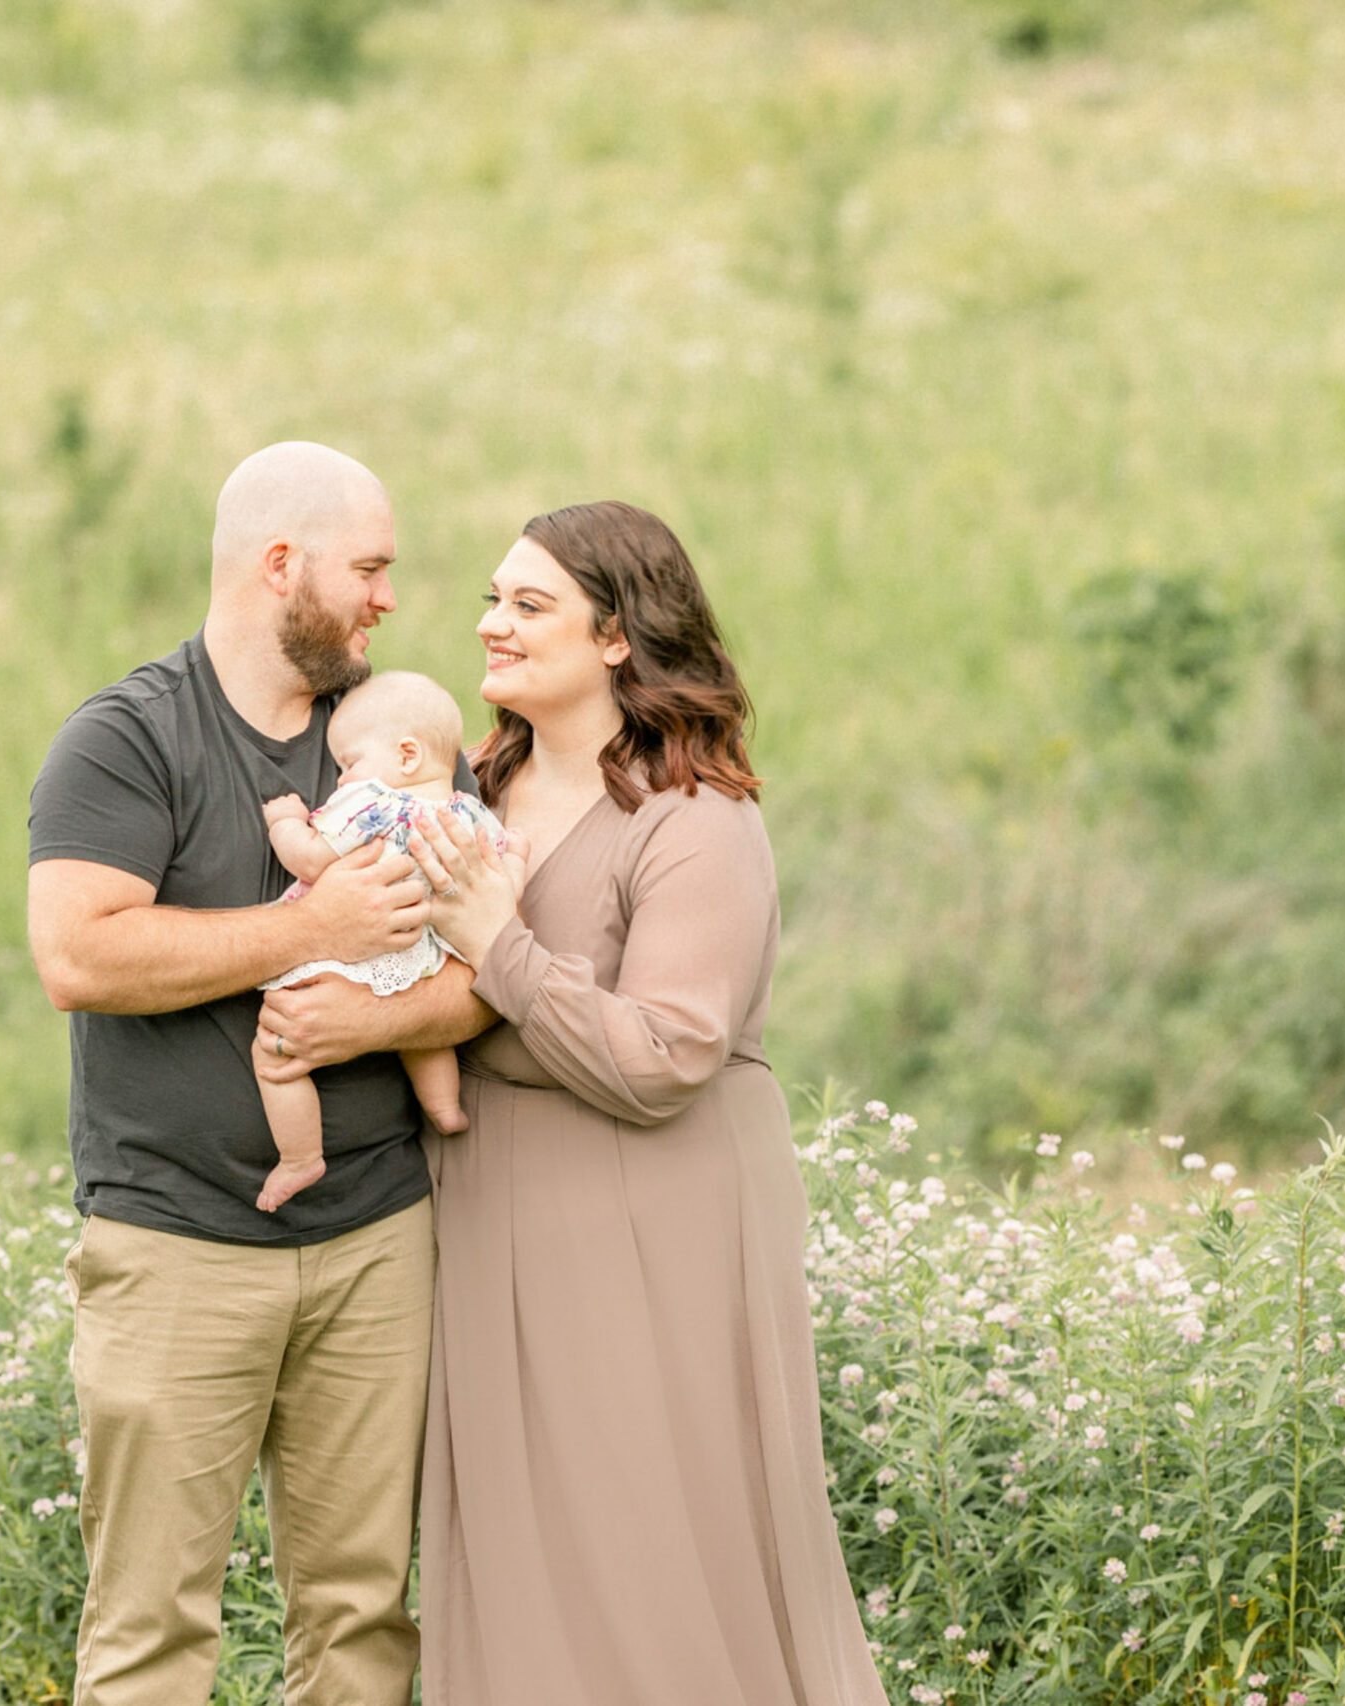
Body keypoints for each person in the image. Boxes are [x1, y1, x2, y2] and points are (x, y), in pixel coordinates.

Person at [403, 500, 891, 1706]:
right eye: (491, 598)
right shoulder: (472, 786)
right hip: (487, 1197)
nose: (490, 625)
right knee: (518, 1551)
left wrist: (499, 947)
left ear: (617, 635)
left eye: (528, 604)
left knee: (657, 1544)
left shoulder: (696, 818)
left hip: (655, 1208)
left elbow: (667, 1053)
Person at [25, 441, 486, 1706]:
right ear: (281, 564)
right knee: (151, 1634)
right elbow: (76, 954)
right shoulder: (126, 739)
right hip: (175, 1249)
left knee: (362, 1620)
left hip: (379, 1239)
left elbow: (494, 964)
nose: (390, 598)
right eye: (370, 568)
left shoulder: (403, 738)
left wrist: (367, 1023)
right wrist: (307, 936)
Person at [254, 669, 504, 1213]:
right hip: (429, 952)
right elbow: (502, 869)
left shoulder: (373, 802)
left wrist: (285, 822)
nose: (343, 778)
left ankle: (300, 1157)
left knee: (274, 1054)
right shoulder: (470, 812)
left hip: (359, 946)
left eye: (349, 763)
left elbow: (313, 859)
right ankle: (444, 1108)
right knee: (423, 1031)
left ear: (406, 755)